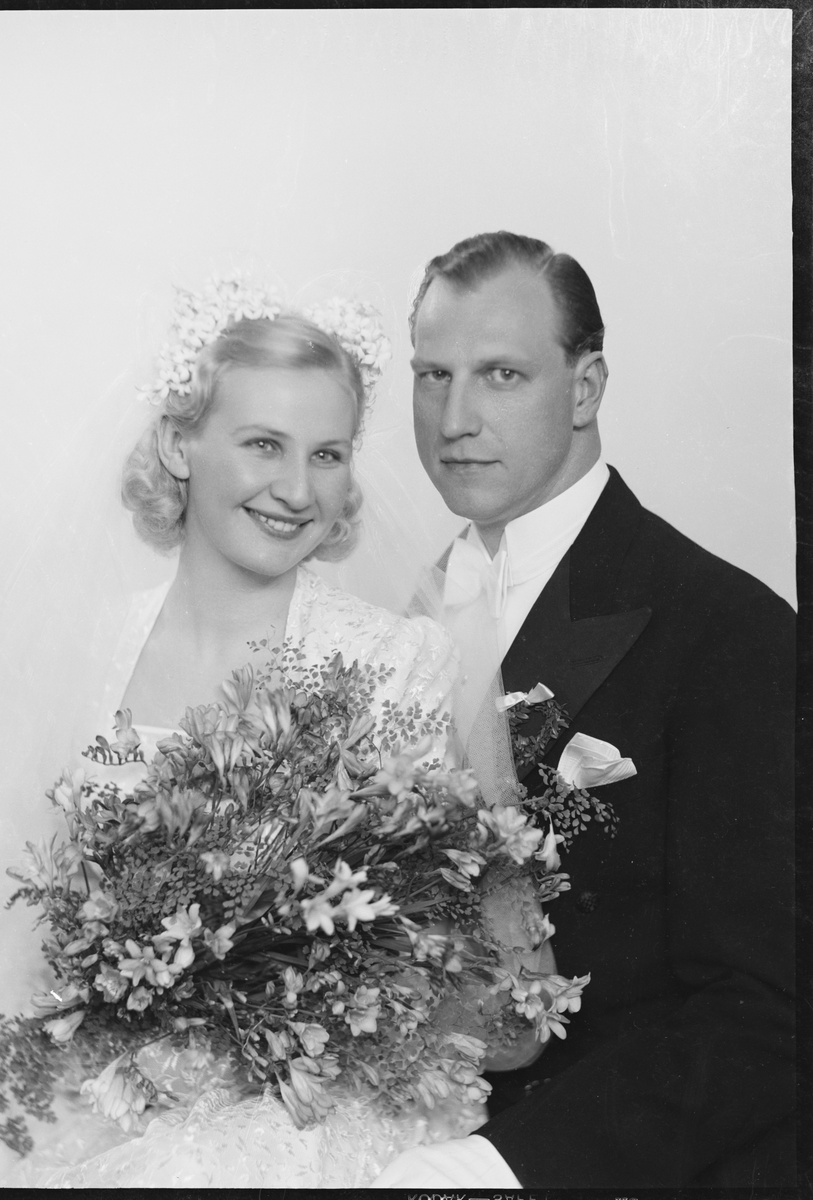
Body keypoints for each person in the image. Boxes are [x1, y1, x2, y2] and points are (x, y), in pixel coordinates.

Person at [0, 281, 548, 1187]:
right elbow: (5, 934)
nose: (298, 490)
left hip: (300, 1123)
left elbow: (498, 996)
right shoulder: (83, 653)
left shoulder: (397, 665)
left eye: (328, 454)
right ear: (179, 444)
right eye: (263, 444)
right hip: (84, 1099)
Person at [372, 231, 795, 1189]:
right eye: (433, 376)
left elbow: (768, 1010)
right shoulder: (402, 621)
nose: (455, 419)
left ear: (586, 387)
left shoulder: (729, 630)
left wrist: (496, 1169)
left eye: (502, 375)